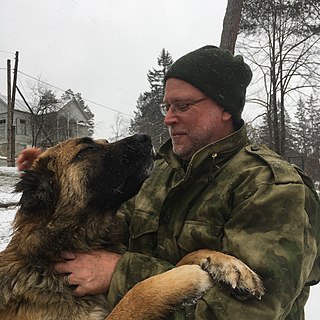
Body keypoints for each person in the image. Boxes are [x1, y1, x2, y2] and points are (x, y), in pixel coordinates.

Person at [18, 45, 320, 319]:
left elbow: (250, 312)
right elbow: (91, 224)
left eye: (183, 106)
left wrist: (121, 273)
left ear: (225, 108)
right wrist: (50, 178)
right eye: (167, 107)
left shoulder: (270, 186)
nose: (168, 119)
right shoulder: (162, 172)